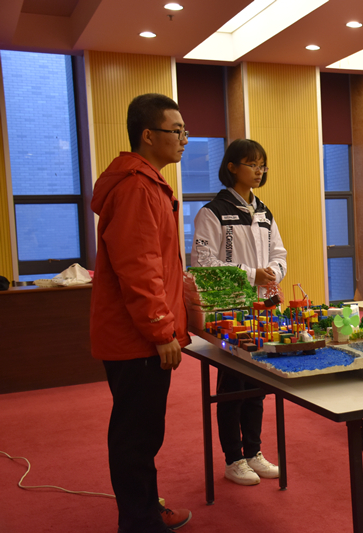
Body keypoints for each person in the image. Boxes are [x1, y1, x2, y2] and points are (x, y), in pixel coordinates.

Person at [91, 93, 192, 532]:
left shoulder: (147, 183)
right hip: (137, 338)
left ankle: (146, 511)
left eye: (185, 131)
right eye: (177, 131)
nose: (184, 139)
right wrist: (161, 330)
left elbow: (158, 263)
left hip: (138, 334)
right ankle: (139, 523)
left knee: (143, 430)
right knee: (136, 435)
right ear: (148, 135)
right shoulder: (136, 187)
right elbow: (139, 269)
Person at [191, 139, 287, 486]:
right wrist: (250, 274)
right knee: (232, 386)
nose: (259, 171)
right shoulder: (212, 212)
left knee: (257, 384)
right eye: (252, 164)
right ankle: (233, 459)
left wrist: (274, 272)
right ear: (232, 167)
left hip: (262, 310)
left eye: (262, 165)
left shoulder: (264, 213)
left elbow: (279, 253)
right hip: (228, 309)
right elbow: (203, 262)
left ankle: (253, 452)